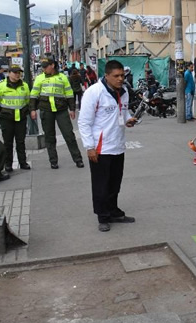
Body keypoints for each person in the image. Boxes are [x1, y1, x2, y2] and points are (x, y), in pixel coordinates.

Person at [78, 60, 137, 232]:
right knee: (100, 185)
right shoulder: (94, 93)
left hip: (117, 145)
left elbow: (123, 113)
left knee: (114, 183)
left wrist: (129, 120)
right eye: (116, 76)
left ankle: (114, 211)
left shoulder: (123, 92)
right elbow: (84, 122)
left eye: (122, 76)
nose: (120, 79)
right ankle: (102, 216)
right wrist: (89, 147)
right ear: (107, 75)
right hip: (100, 148)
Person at [30, 54, 85, 169]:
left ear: (52, 65)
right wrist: (33, 109)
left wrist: (72, 109)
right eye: (43, 67)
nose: (44, 69)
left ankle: (78, 159)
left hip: (61, 110)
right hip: (46, 110)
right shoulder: (39, 78)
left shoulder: (63, 77)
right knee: (49, 137)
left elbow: (69, 94)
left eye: (46, 66)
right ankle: (53, 161)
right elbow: (34, 95)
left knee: (69, 135)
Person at [0, 65, 31, 172]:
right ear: (9, 73)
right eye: (15, 72)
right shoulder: (0, 85)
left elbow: (27, 101)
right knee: (8, 142)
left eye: (19, 72)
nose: (18, 74)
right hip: (6, 118)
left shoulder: (25, 85)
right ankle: (8, 164)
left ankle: (23, 162)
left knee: (20, 141)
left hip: (21, 118)